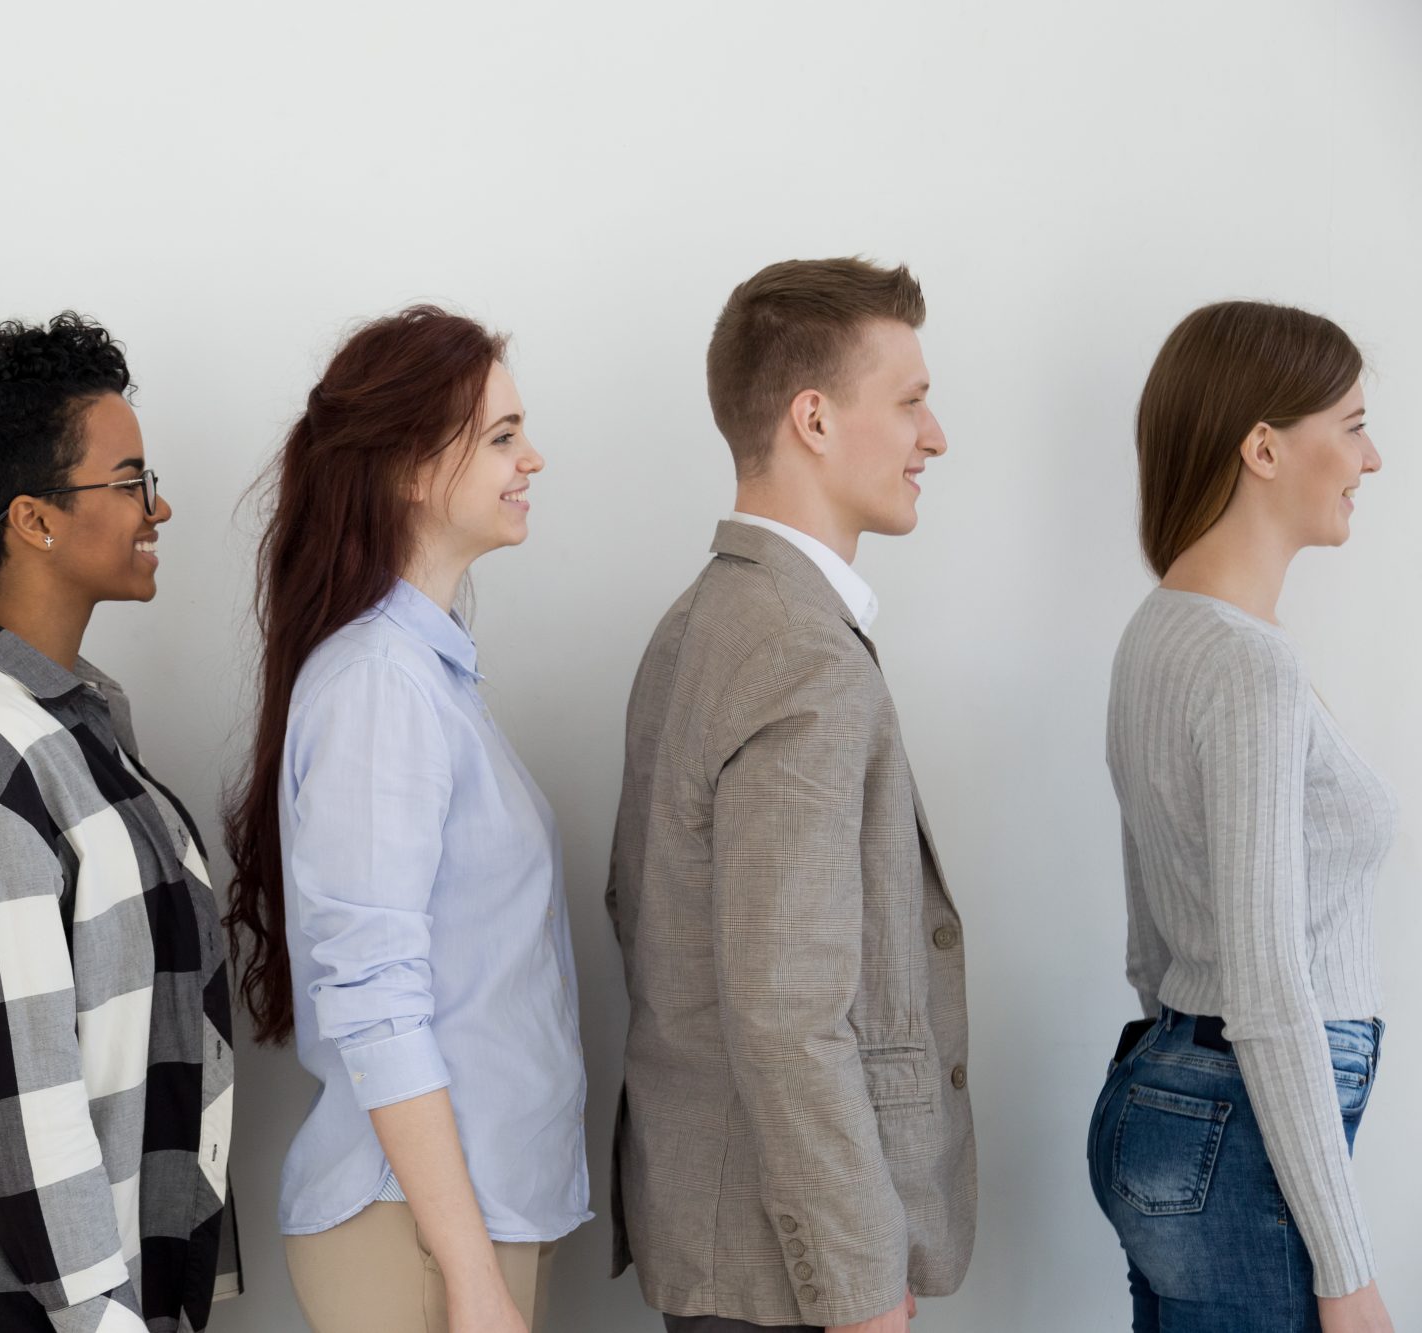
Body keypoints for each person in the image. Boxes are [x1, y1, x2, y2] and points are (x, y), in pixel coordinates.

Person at [606, 258, 976, 1332]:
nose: (933, 434)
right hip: (787, 1276)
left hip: (729, 1245)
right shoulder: (794, 650)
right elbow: (783, 1009)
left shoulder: (700, 622)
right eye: (908, 401)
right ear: (813, 418)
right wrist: (860, 1291)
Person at [0, 313, 236, 1333]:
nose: (160, 506)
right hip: (30, 1309)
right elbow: (17, 1096)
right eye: (131, 482)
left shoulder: (73, 722)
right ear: (33, 519)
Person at [222, 306, 589, 1333]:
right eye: (503, 435)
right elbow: (376, 995)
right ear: (412, 470)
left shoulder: (419, 675)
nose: (533, 458)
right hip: (421, 1237)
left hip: (459, 1222)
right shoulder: (380, 684)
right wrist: (468, 1279)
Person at [1088, 301, 1397, 1333]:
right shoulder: (1246, 663)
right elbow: (1266, 983)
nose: (1373, 456)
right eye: (1349, 425)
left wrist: (1174, 1069)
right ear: (1262, 447)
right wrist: (1346, 1273)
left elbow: (1151, 930)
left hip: (1167, 1090)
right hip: (1241, 1119)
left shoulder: (1157, 630)